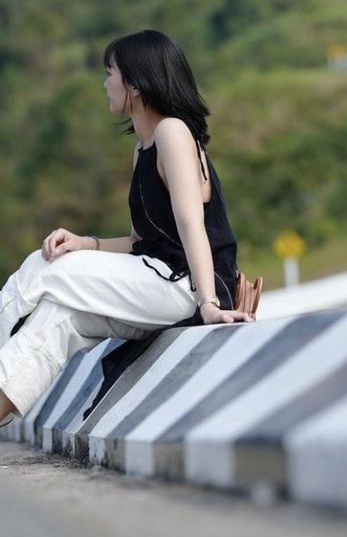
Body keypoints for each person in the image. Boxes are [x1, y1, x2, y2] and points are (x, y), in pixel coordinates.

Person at [0, 29, 252, 426]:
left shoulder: (172, 132)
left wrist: (208, 303)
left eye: (110, 73)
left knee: (43, 267)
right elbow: (140, 241)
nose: (105, 84)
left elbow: (192, 224)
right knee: (56, 320)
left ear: (135, 84)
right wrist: (85, 243)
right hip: (158, 279)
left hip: (186, 286)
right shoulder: (143, 149)